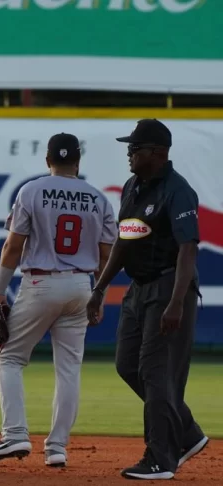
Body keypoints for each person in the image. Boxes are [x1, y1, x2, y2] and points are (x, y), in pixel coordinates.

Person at [0, 133, 117, 468]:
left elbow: (12, 247)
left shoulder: (32, 190)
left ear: (47, 160)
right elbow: (107, 256)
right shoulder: (98, 199)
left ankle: (15, 434)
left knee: (9, 358)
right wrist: (99, 295)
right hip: (82, 285)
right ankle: (57, 448)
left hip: (41, 282)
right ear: (78, 162)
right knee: (69, 370)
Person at [86, 119, 209, 480]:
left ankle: (160, 459)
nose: (129, 153)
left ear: (157, 152)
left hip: (169, 286)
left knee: (157, 374)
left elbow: (188, 249)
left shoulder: (178, 191)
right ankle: (186, 432)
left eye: (135, 148)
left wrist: (175, 303)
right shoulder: (132, 186)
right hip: (139, 289)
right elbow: (125, 241)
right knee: (128, 365)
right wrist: (99, 288)